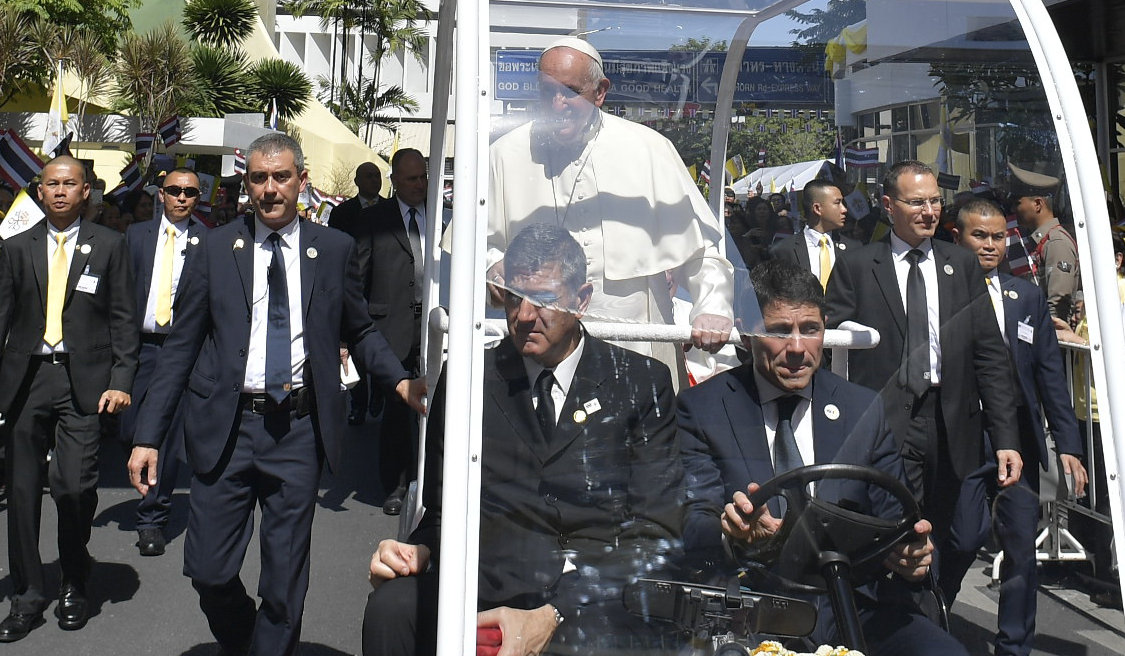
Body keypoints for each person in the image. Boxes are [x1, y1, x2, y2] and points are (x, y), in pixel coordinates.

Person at [359, 221, 683, 656]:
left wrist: (553, 614)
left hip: (596, 597)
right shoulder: (471, 378)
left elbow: (655, 530)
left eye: (544, 300)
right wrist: (416, 551)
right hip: (491, 582)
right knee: (393, 613)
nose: (525, 316)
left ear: (583, 299)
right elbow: (445, 509)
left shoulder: (640, 383)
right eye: (513, 298)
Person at [128, 132, 424, 656]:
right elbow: (181, 344)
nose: (270, 189)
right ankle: (240, 640)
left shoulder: (332, 249)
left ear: (301, 180)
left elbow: (360, 328)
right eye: (259, 178)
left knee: (285, 581)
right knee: (208, 568)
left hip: (297, 433)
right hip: (226, 427)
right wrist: (148, 436)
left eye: (281, 177)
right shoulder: (214, 249)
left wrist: (401, 382)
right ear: (246, 183)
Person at [677, 258, 985, 656]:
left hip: (856, 609)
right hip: (753, 613)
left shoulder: (862, 408)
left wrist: (913, 556)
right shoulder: (703, 409)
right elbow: (693, 520)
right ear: (746, 334)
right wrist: (733, 534)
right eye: (779, 330)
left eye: (811, 329)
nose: (797, 348)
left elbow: (899, 519)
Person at [828, 164, 1028, 656]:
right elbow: (831, 337)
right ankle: (908, 635)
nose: (929, 211)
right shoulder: (857, 265)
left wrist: (1005, 438)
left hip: (953, 419)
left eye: (935, 201)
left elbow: (990, 353)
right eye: (917, 202)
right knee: (899, 530)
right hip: (889, 422)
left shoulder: (960, 265)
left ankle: (932, 602)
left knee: (964, 533)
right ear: (888, 206)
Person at [485, 37, 732, 368]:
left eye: (570, 92)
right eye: (547, 92)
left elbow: (701, 250)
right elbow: (478, 247)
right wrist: (493, 269)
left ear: (600, 92)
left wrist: (712, 306)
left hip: (636, 339)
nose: (557, 104)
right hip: (540, 343)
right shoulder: (505, 154)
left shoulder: (648, 149)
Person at [0, 156, 133, 640]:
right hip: (28, 378)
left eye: (69, 184)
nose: (60, 191)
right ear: (39, 192)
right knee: (22, 491)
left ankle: (74, 579)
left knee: (74, 486)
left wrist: (122, 379)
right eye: (51, 184)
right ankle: (26, 596)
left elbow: (123, 317)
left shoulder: (111, 245)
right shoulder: (17, 247)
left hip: (85, 380)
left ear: (86, 191)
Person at [950, 191, 1089, 656]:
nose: (990, 246)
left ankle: (1011, 654)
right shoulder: (941, 292)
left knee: (1022, 554)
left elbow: (1050, 374)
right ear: (957, 237)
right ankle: (932, 622)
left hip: (1022, 445)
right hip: (964, 440)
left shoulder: (1025, 297)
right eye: (979, 236)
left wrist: (1068, 445)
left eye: (998, 237)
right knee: (962, 538)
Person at [345, 147, 434, 514]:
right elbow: (358, 276)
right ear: (395, 180)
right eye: (411, 179)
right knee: (397, 410)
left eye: (423, 177)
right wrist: (349, 332)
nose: (419, 185)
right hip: (391, 326)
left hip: (433, 325)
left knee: (433, 406)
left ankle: (431, 482)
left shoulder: (444, 216)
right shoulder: (375, 220)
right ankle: (396, 485)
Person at [126, 160, 207, 556]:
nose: (181, 198)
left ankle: (152, 517)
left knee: (166, 434)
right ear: (161, 195)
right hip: (138, 349)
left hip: (181, 351)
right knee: (132, 428)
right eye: (175, 190)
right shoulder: (136, 237)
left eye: (189, 192)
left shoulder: (209, 242)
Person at [1004, 166, 1081, 319]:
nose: (1013, 209)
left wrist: (1051, 331)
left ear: (1037, 204)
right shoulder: (1040, 241)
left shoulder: (1056, 243)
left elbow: (1058, 304)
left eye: (1017, 203)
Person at [772, 177, 853, 291]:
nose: (844, 209)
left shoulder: (853, 248)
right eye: (837, 203)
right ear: (817, 208)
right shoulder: (783, 250)